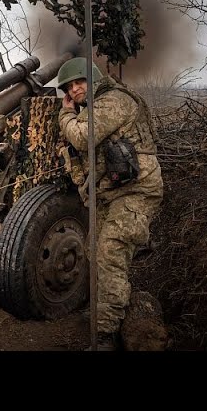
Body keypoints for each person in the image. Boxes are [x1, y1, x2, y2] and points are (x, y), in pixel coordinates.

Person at [57, 57, 163, 351]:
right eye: (69, 86)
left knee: (109, 254)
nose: (75, 89)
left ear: (93, 80)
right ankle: (106, 310)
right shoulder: (94, 106)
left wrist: (65, 115)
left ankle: (104, 336)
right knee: (94, 251)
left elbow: (82, 137)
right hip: (113, 192)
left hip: (136, 191)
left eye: (80, 82)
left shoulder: (113, 101)